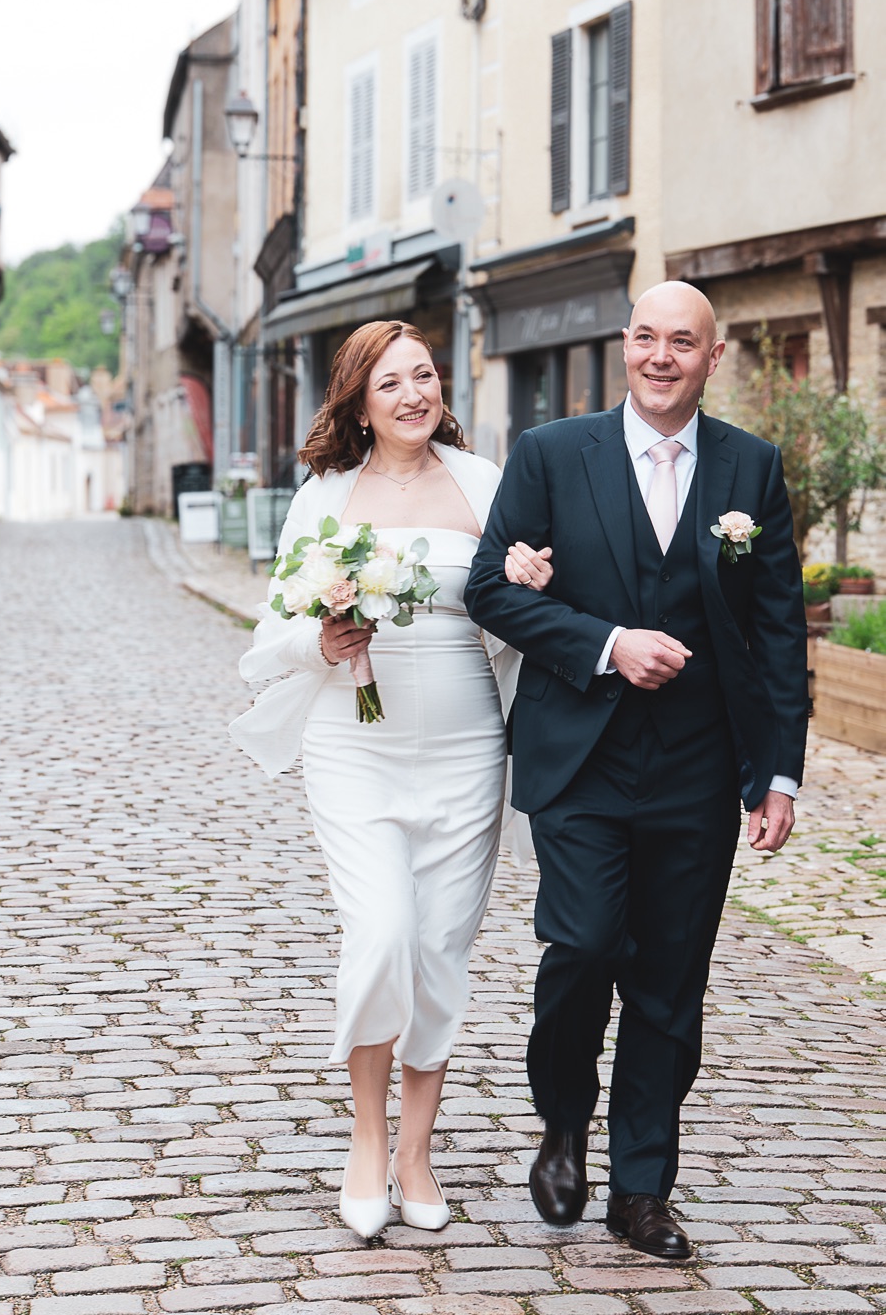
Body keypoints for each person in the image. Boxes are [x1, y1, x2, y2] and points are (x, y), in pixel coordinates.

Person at [465, 281, 808, 1263]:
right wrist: (608, 643)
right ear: (625, 344)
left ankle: (641, 1188)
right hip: (580, 757)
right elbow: (491, 588)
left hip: (698, 766)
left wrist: (777, 773)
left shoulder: (751, 465)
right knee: (580, 945)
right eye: (647, 337)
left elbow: (777, 629)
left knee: (668, 980)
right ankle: (562, 1121)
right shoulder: (549, 453)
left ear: (712, 356)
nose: (662, 356)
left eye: (682, 342)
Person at [230, 320, 531, 1240]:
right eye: (390, 383)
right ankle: (366, 1138)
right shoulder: (325, 495)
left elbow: (520, 616)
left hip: (467, 746)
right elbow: (272, 632)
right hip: (353, 747)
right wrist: (319, 640)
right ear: (359, 403)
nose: (413, 395)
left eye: (425, 376)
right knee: (382, 935)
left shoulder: (484, 484)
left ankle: (415, 1153)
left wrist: (530, 582)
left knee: (438, 951)